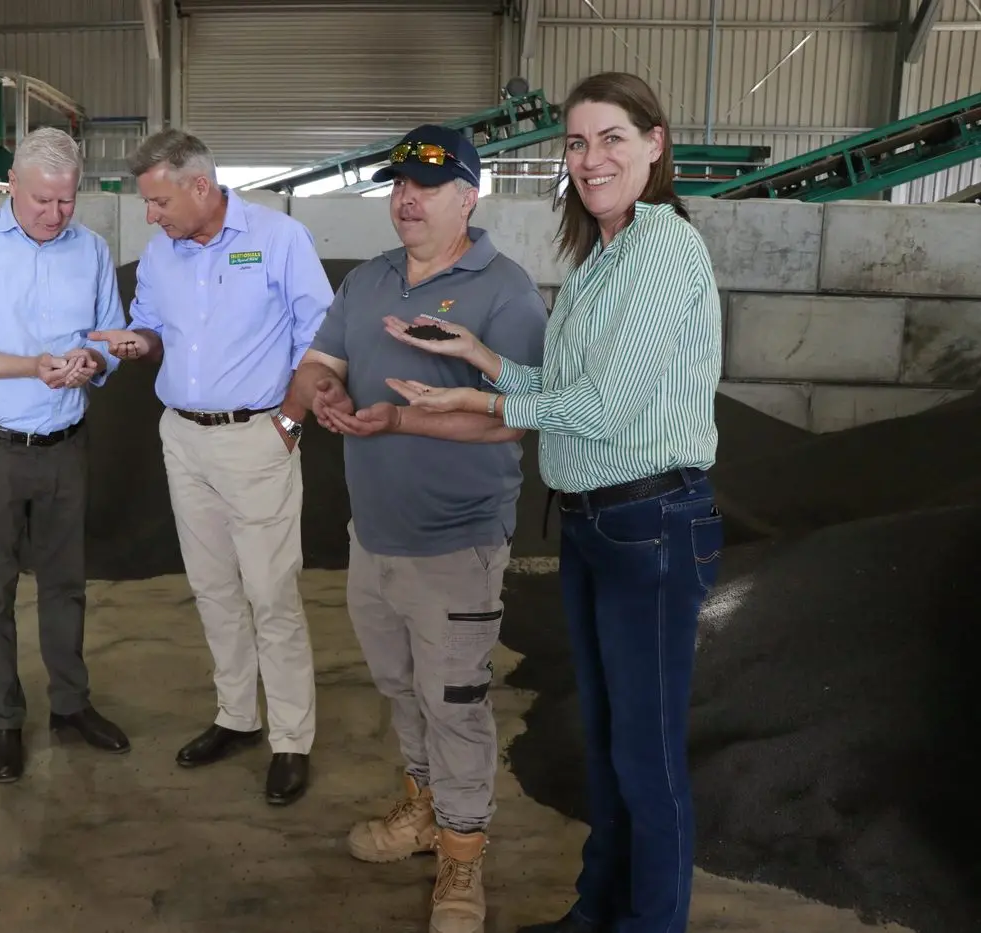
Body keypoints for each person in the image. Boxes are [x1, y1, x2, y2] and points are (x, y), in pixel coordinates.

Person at [381, 73, 725, 933]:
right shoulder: (602, 256)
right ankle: (594, 913)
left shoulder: (663, 248)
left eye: (611, 137)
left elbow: (604, 409)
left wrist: (481, 404)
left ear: (655, 142)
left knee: (645, 761)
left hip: (650, 526)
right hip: (594, 524)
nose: (590, 157)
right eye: (575, 143)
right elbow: (569, 387)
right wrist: (481, 360)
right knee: (607, 748)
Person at [284, 124, 548, 932]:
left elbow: (514, 422)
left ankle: (464, 862)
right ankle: (426, 808)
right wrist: (317, 398)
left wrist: (398, 419)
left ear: (468, 196)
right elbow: (320, 361)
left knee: (455, 701)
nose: (406, 197)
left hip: (456, 542)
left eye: (427, 185)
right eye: (399, 183)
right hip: (377, 538)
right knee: (402, 691)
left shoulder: (505, 291)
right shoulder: (366, 281)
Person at [87, 129, 333, 805]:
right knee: (213, 587)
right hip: (182, 439)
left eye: (158, 199)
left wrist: (288, 419)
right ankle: (237, 716)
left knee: (270, 595)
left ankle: (290, 738)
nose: (149, 215)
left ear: (200, 186)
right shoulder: (161, 255)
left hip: (255, 438)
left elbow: (322, 335)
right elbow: (154, 328)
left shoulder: (278, 240)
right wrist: (135, 344)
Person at [0, 126, 131, 783]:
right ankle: (3, 718)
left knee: (66, 585)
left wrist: (92, 359)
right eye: (41, 200)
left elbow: (109, 337)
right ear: (11, 185)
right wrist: (31, 367)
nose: (54, 214)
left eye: (66, 201)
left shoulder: (92, 249)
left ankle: (70, 704)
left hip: (64, 447)